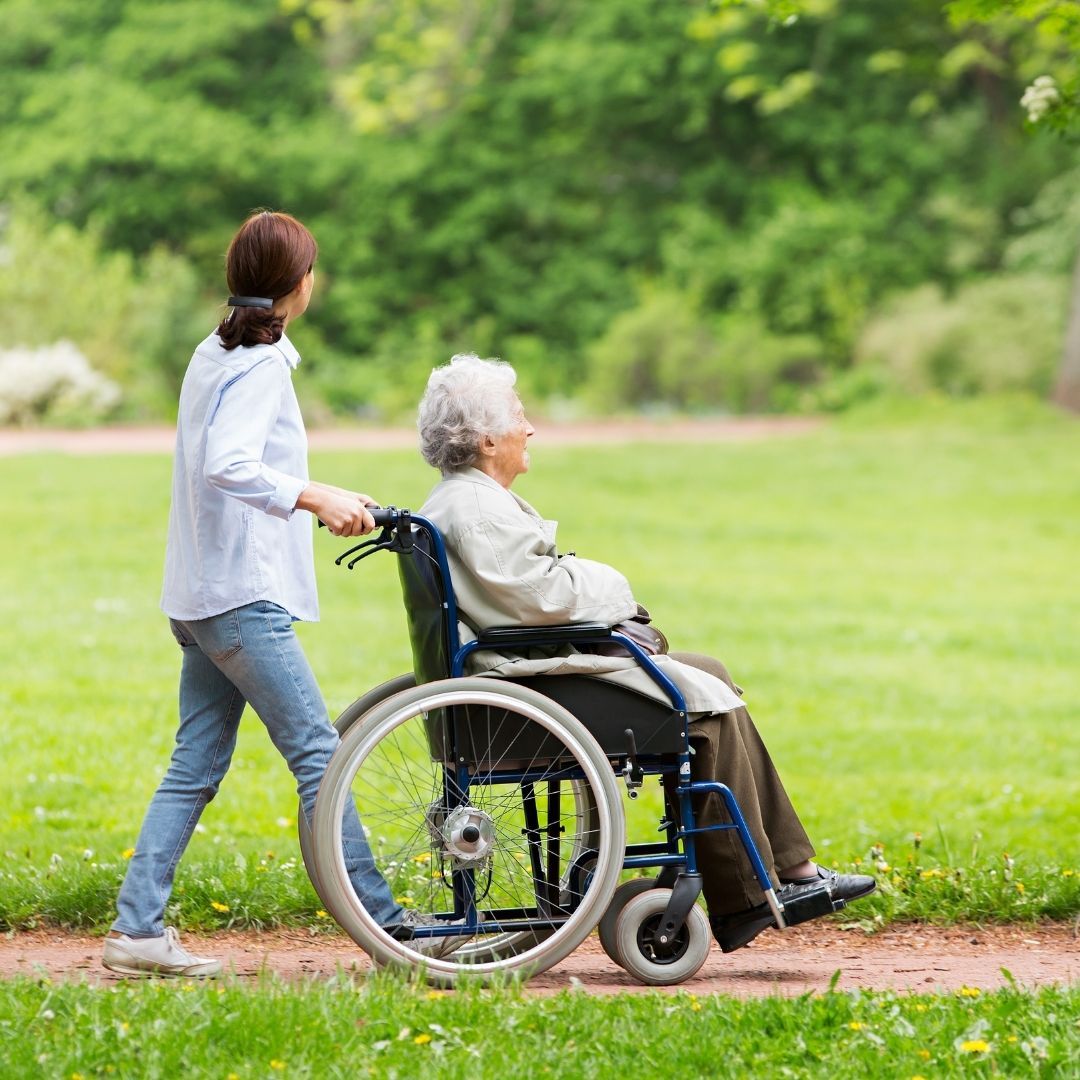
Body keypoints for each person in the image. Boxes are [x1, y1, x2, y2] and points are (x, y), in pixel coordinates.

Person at [416, 354, 876, 953]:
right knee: (704, 704)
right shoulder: (475, 510)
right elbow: (540, 597)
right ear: (485, 439)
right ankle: (758, 889)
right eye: (520, 417)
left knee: (708, 673)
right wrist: (613, 587)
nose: (530, 429)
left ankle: (784, 872)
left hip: (518, 676)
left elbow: (526, 595)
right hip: (527, 691)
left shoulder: (460, 502)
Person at [104, 210, 417, 977]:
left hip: (201, 595)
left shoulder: (214, 352)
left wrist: (321, 492)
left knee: (195, 764)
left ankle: (138, 930)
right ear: (300, 283)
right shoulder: (260, 366)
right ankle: (393, 929)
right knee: (323, 757)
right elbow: (229, 464)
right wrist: (312, 497)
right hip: (239, 601)